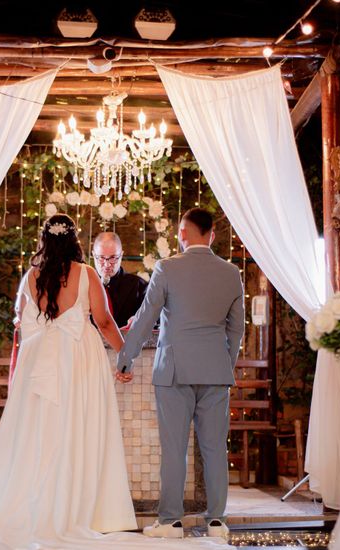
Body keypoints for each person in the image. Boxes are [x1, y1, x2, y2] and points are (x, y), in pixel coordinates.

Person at [0, 215, 231, 550]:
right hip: (78, 362)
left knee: (39, 437)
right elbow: (102, 321)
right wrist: (123, 356)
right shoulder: (86, 274)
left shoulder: (31, 276)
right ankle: (84, 510)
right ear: (75, 242)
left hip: (39, 367)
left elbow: (20, 320)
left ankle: (38, 508)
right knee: (80, 433)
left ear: (44, 240)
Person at [117, 208, 245, 540]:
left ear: (181, 234)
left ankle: (171, 522)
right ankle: (217, 521)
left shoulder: (167, 268)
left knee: (174, 448)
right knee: (215, 447)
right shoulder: (231, 273)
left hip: (173, 371)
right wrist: (224, 364)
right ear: (212, 235)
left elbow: (146, 317)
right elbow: (236, 329)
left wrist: (126, 356)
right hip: (216, 371)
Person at [93, 232, 148, 328]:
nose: (107, 265)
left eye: (113, 258)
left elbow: (155, 318)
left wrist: (140, 320)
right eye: (101, 258)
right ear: (94, 255)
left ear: (121, 255)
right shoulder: (84, 284)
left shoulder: (139, 286)